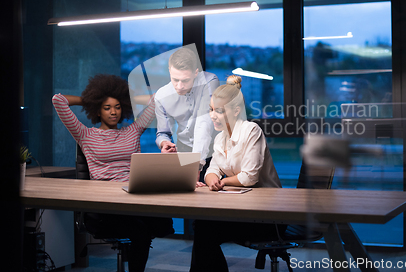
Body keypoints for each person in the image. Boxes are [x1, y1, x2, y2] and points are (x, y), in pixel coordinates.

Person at [52, 74, 173, 272]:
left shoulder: (132, 131)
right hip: (105, 205)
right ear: (98, 111)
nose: (113, 112)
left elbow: (156, 100)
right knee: (141, 231)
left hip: (133, 199)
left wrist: (126, 99)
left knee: (157, 222)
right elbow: (58, 100)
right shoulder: (84, 134)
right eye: (107, 108)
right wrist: (92, 100)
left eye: (117, 107)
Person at [190, 75, 284, 272]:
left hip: (268, 216)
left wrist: (222, 182)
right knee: (203, 227)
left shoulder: (251, 130)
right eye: (211, 109)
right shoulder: (220, 138)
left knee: (204, 229)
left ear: (236, 111)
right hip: (241, 210)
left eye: (219, 111)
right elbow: (212, 170)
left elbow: (249, 177)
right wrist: (212, 179)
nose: (213, 115)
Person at [155, 47, 219, 184]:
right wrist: (164, 143)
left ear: (196, 72)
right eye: (175, 79)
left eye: (185, 80)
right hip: (182, 151)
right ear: (169, 71)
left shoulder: (209, 81)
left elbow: (204, 124)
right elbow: (162, 132)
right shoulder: (161, 96)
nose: (179, 86)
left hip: (211, 153)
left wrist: (196, 166)